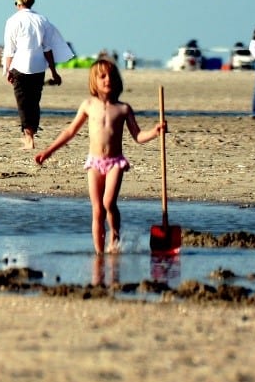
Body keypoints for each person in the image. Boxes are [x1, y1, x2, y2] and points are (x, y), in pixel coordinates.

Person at [34, 60, 167, 255]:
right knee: (97, 209)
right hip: (95, 162)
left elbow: (138, 136)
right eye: (102, 76)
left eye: (111, 76)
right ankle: (99, 254)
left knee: (108, 203)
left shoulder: (123, 108)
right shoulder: (88, 105)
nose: (107, 80)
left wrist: (155, 132)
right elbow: (70, 131)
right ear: (94, 82)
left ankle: (114, 235)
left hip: (115, 162)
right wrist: (49, 151)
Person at [2, 0, 73, 150]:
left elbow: (9, 50)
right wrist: (54, 72)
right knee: (34, 102)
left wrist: (7, 70)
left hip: (19, 66)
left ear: (18, 3)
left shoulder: (12, 21)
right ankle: (30, 134)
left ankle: (29, 139)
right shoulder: (42, 20)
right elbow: (48, 49)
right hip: (38, 66)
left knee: (23, 102)